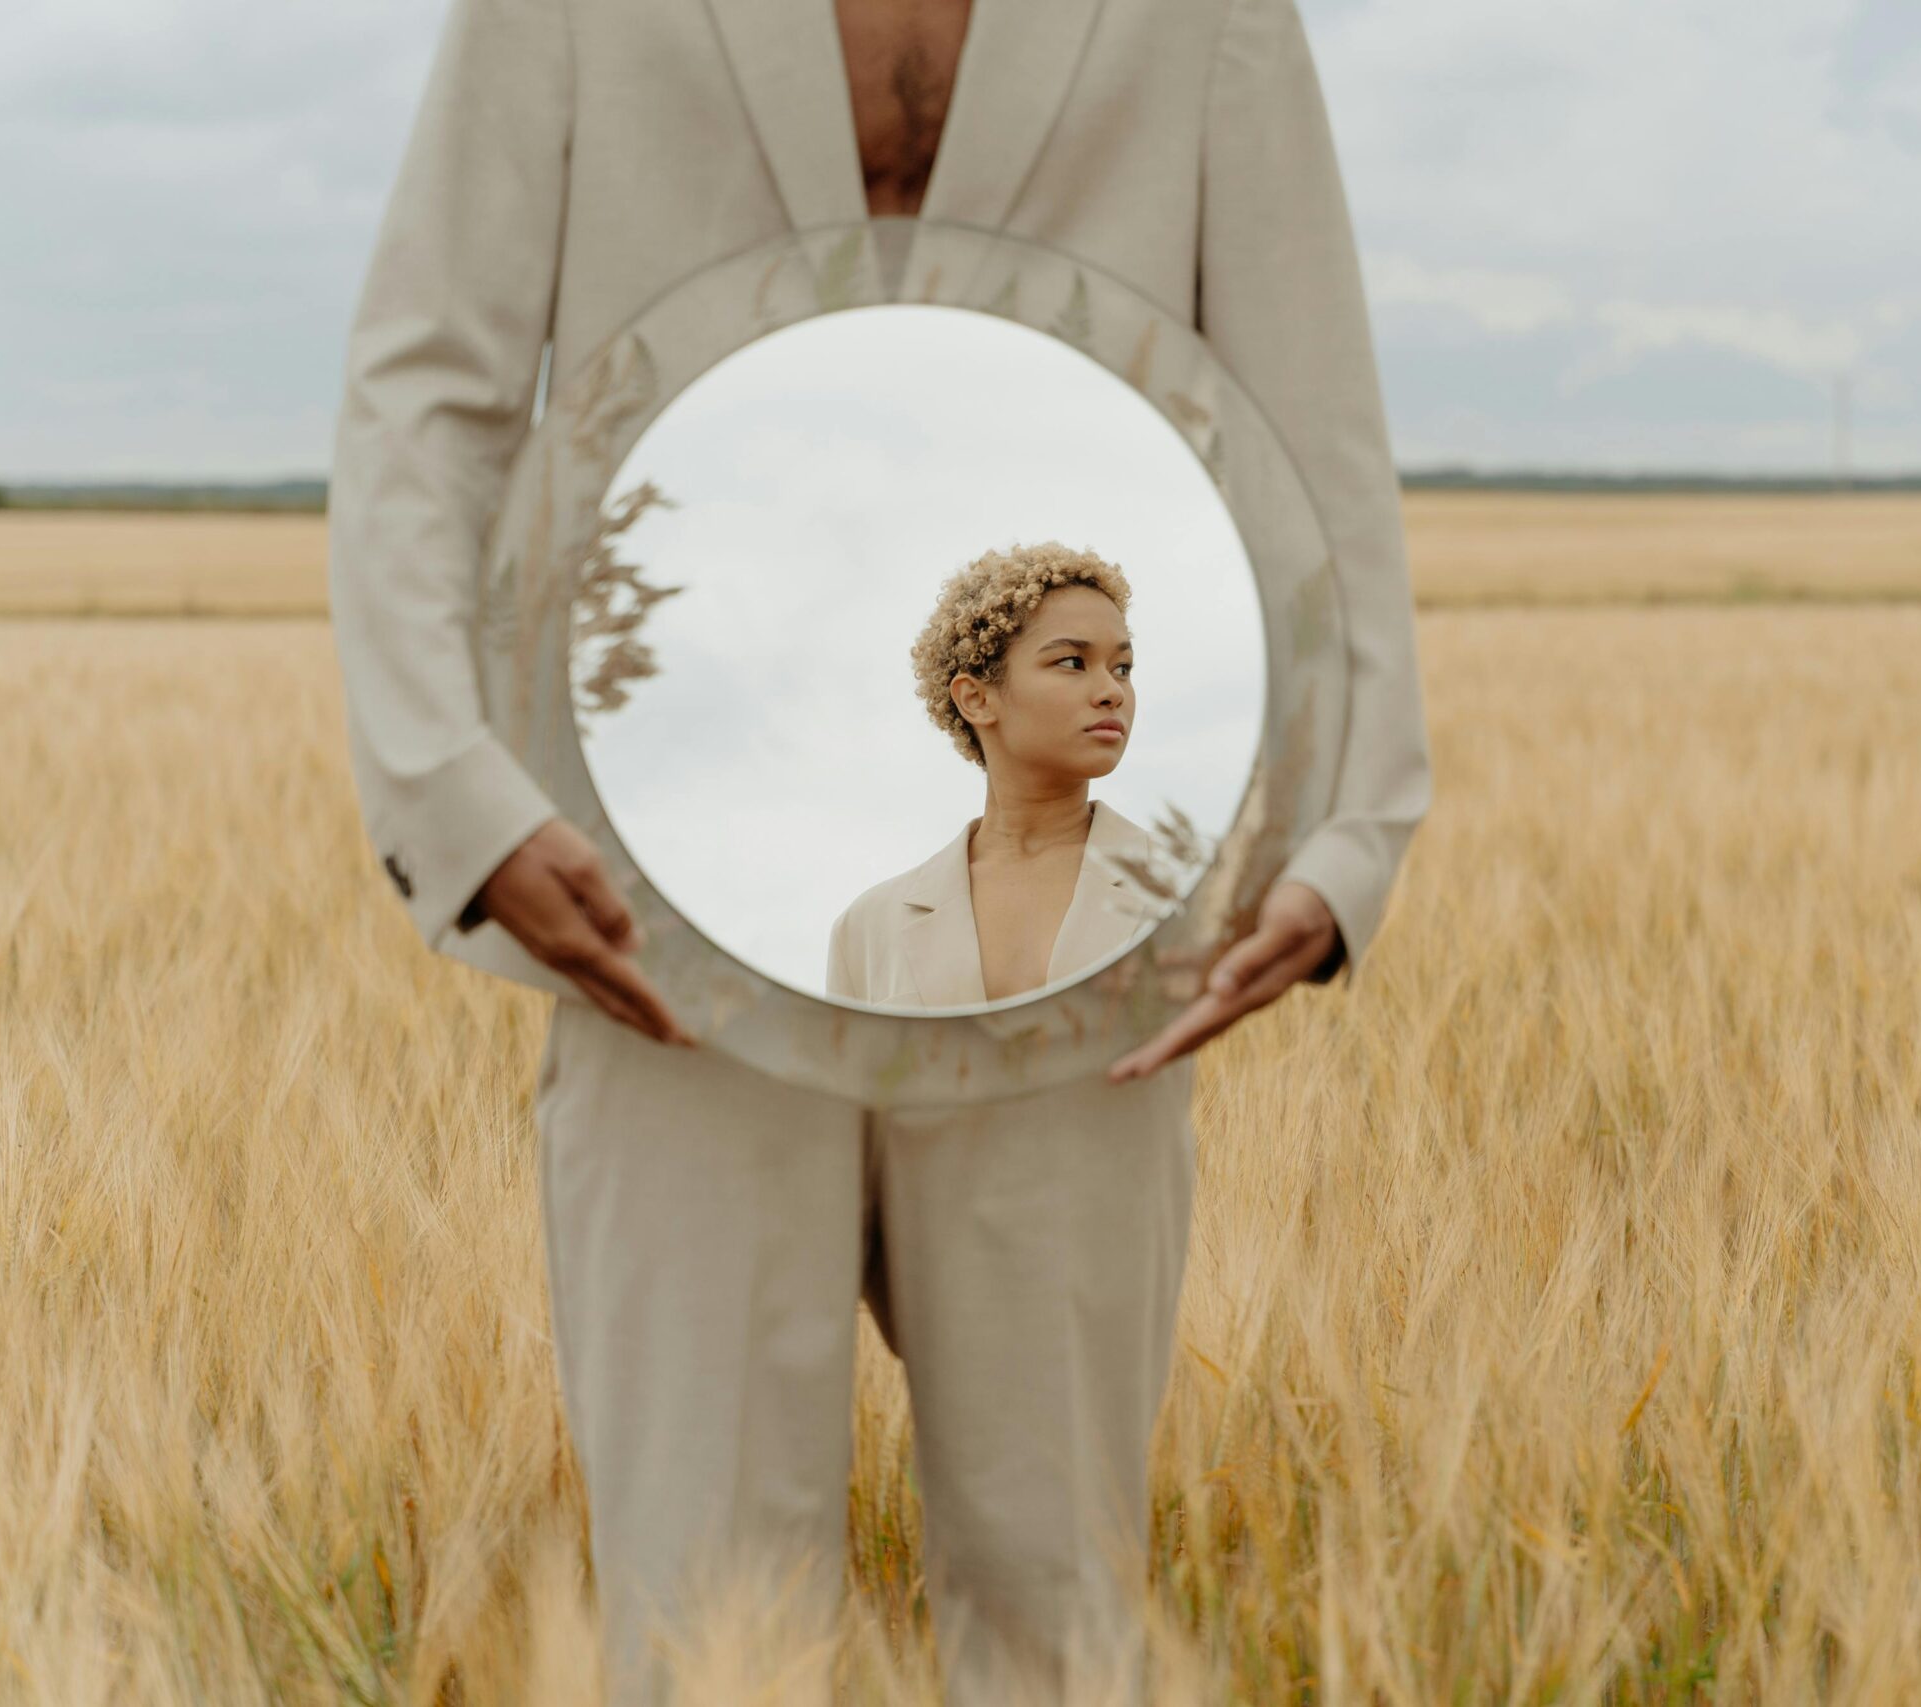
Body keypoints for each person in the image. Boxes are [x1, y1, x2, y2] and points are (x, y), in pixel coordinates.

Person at [325, 0, 1431, 1698]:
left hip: (1074, 938)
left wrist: (1347, 831)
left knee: (1059, 1605)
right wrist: (462, 803)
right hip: (659, 902)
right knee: (701, 1629)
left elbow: (1313, 420)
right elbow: (433, 396)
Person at [824, 544, 1167, 1012]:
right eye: (1072, 662)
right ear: (976, 699)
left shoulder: (1191, 888)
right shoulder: (866, 929)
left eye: (1122, 668)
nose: (1112, 692)